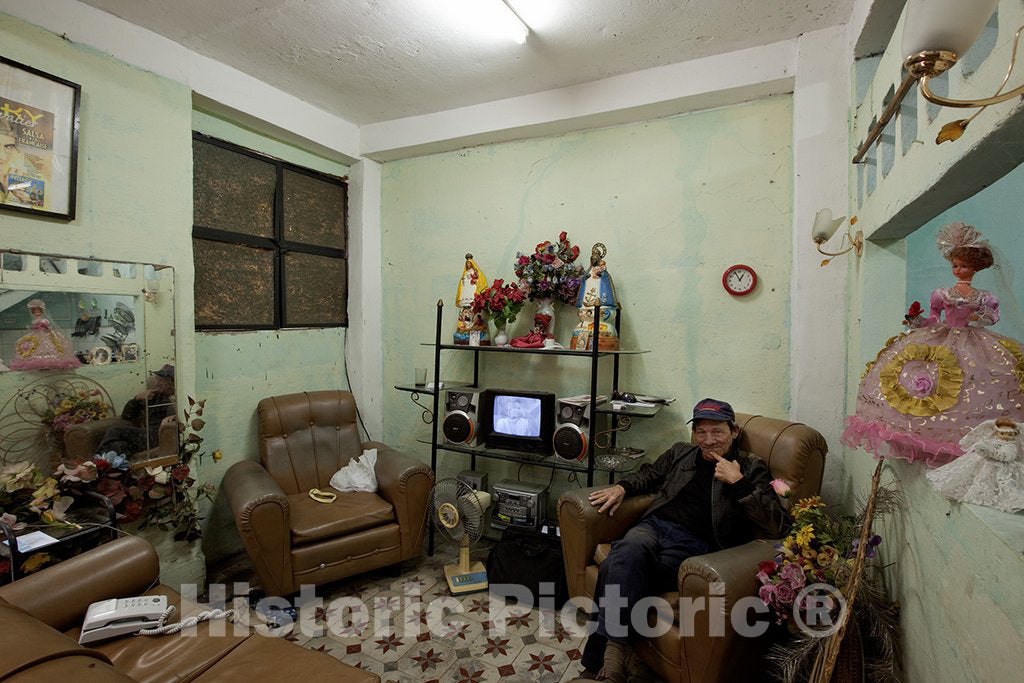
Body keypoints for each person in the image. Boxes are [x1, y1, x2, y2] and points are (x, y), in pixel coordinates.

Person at [578, 398, 789, 682]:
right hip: (654, 527)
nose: (708, 440)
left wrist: (739, 483)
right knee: (630, 548)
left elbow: (778, 525)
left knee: (614, 566)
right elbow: (649, 474)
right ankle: (616, 659)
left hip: (693, 546)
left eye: (717, 432)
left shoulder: (750, 467)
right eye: (701, 432)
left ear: (734, 431)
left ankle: (597, 663)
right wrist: (621, 487)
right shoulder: (681, 453)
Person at [842, 222, 1024, 467]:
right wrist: (916, 320)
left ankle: (968, 438)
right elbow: (933, 320)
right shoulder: (943, 294)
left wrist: (976, 318)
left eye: (964, 266)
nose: (959, 271)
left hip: (973, 340)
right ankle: (930, 435)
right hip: (943, 337)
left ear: (975, 268)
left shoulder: (983, 297)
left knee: (973, 382)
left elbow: (992, 317)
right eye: (955, 266)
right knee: (932, 379)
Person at [926, 417, 1024, 513]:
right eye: (1002, 433)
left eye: (1010, 435)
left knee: (997, 480)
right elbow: (985, 444)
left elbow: (1008, 456)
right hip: (985, 461)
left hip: (1001, 466)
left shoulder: (1011, 446)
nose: (1006, 437)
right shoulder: (993, 440)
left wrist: (990, 452)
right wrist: (982, 447)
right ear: (997, 433)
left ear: (1015, 435)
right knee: (970, 470)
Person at [96, 364, 176, 456]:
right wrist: (136, 399)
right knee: (119, 446)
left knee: (114, 431)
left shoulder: (176, 398)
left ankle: (95, 461)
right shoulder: (154, 395)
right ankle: (104, 465)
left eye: (161, 380)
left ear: (171, 382)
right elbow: (126, 416)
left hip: (158, 435)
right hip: (144, 434)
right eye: (157, 380)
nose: (157, 383)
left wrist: (174, 415)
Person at [8, 299, 82, 370]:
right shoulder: (34, 320)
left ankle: (50, 359)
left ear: (41, 312)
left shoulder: (44, 320)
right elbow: (34, 327)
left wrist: (45, 326)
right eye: (35, 312)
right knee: (30, 345)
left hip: (45, 334)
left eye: (38, 312)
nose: (37, 313)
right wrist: (32, 327)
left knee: (49, 345)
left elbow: (49, 327)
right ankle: (36, 360)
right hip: (36, 334)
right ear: (33, 313)